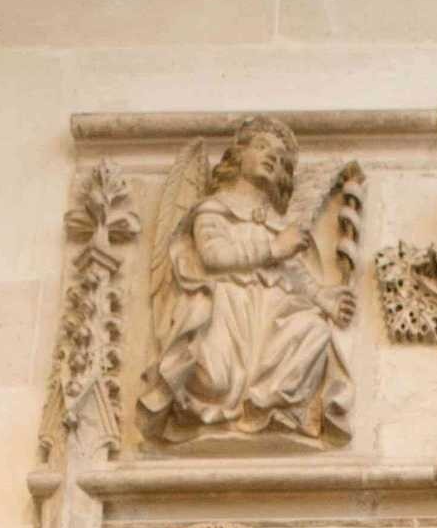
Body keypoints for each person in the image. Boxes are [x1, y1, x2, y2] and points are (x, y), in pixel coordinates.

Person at [138, 114, 354, 445]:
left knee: (315, 330)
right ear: (238, 155)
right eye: (263, 146)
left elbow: (296, 276)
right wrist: (272, 248)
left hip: (272, 314)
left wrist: (326, 299)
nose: (271, 157)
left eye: (280, 158)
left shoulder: (279, 223)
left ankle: (270, 405)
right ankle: (219, 406)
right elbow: (214, 257)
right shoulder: (214, 208)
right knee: (216, 378)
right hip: (227, 308)